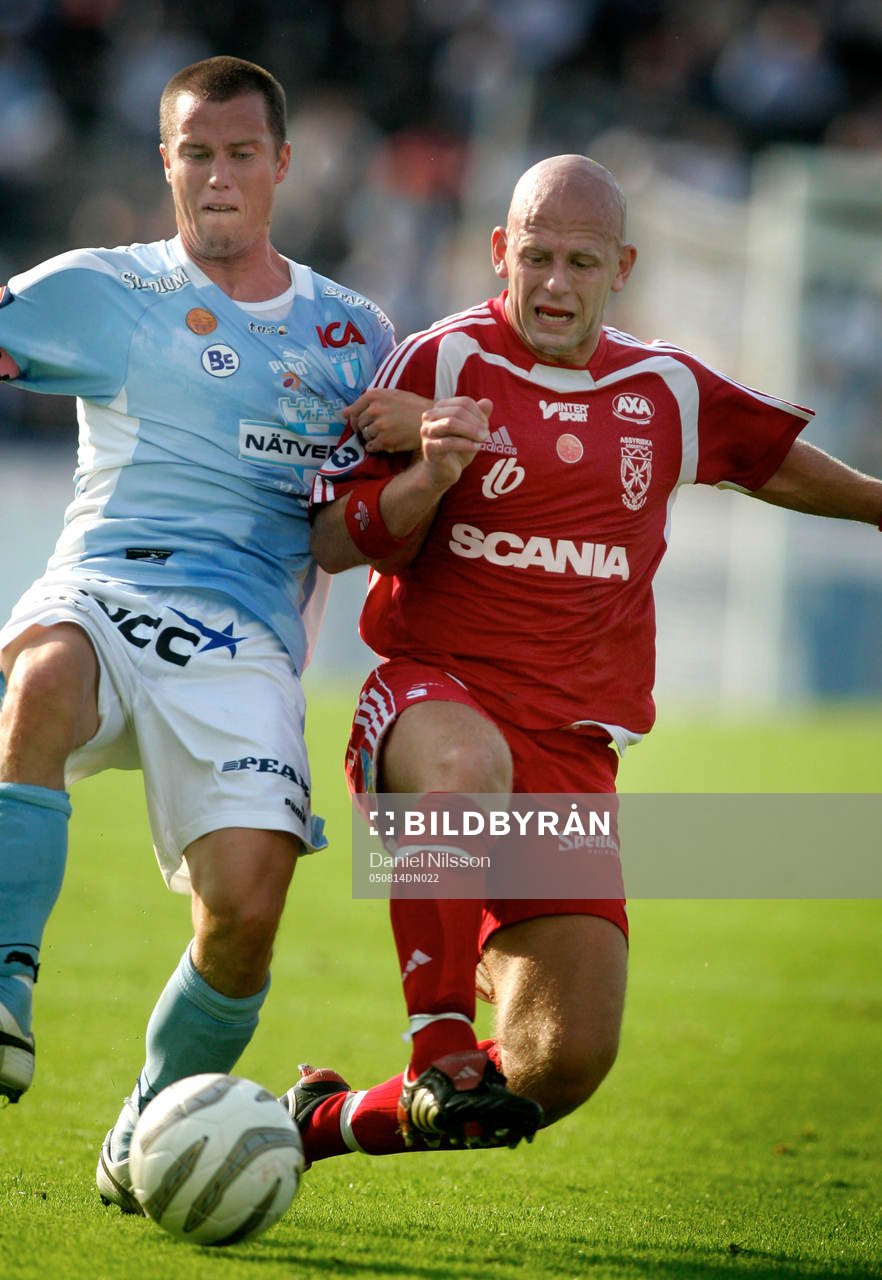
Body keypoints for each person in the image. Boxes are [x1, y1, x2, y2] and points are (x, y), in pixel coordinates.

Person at [288, 153, 882, 1164]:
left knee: (555, 1065)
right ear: (498, 253)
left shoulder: (666, 388)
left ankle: (328, 1123)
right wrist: (432, 474)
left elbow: (770, 462)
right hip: (431, 702)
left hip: (569, 751)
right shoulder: (442, 364)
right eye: (536, 256)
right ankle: (434, 1033)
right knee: (464, 768)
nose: (555, 282)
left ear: (622, 269)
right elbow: (338, 542)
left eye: (579, 261)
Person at [0, 55, 394, 1211]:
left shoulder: (352, 332)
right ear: (164, 164)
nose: (217, 176)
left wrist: (416, 449)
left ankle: (146, 1126)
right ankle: (4, 985)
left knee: (247, 914)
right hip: (107, 587)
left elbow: (355, 520)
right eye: (194, 153)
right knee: (41, 676)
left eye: (239, 154)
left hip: (245, 643)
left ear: (281, 164)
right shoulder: (106, 290)